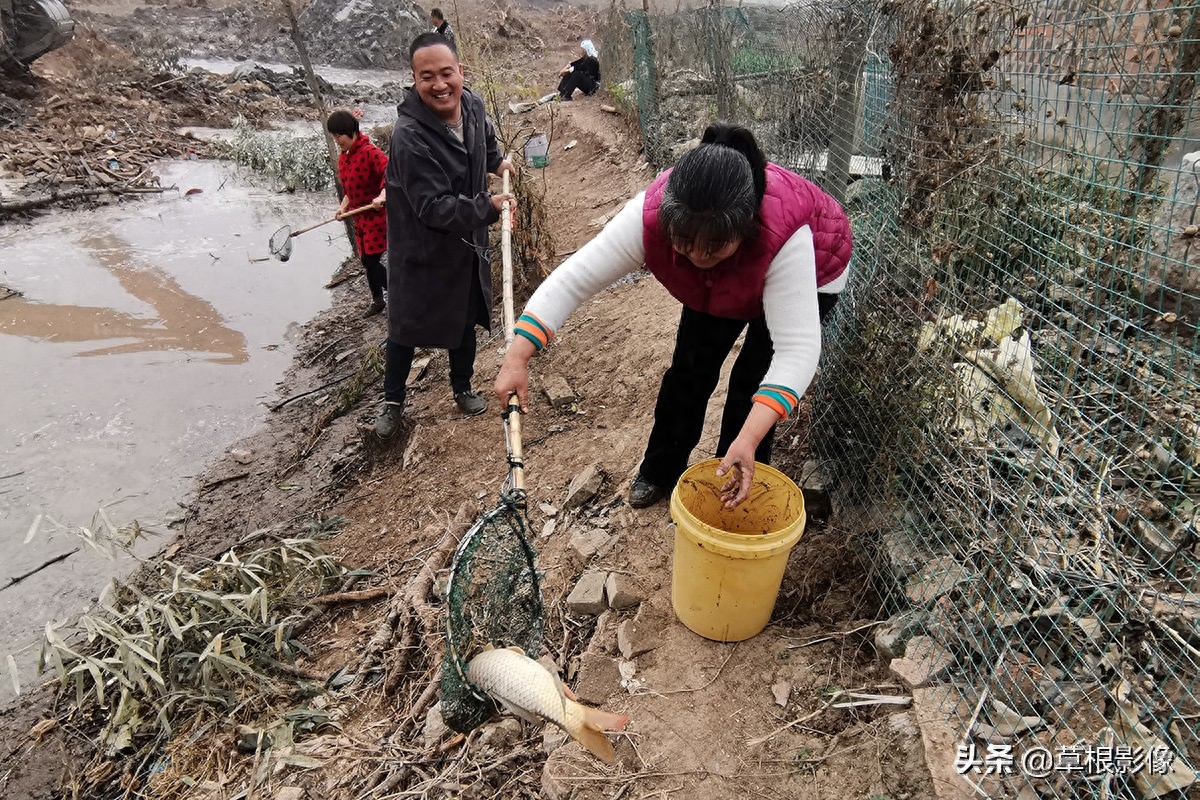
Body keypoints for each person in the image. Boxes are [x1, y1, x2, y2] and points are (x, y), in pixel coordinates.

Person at [494, 122, 852, 508]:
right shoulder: (648, 218)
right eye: (685, 245)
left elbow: (796, 351)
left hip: (815, 272)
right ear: (668, 221)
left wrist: (747, 439)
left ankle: (734, 475)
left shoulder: (781, 237)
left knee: (753, 381)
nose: (698, 257)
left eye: (714, 248)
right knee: (690, 370)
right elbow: (572, 280)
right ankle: (660, 470)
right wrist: (517, 357)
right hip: (724, 284)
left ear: (745, 229)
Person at [374, 32, 513, 439]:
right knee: (404, 327)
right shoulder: (408, 136)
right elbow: (433, 207)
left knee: (464, 317)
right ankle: (393, 402)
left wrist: (499, 161)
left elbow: (485, 146)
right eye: (427, 77)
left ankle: (462, 386)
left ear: (460, 72)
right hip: (421, 248)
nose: (440, 85)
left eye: (446, 73)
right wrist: (489, 207)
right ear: (414, 80)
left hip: (466, 242)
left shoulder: (471, 104)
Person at [326, 109, 388, 317]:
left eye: (338, 135)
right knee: (365, 261)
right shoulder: (344, 158)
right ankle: (378, 300)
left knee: (370, 261)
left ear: (351, 131)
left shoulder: (370, 152)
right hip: (359, 218)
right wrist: (343, 207)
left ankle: (400, 294)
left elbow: (392, 174)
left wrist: (382, 196)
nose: (336, 140)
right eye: (333, 136)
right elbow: (350, 191)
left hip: (377, 216)